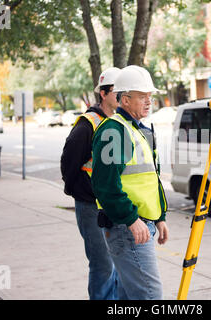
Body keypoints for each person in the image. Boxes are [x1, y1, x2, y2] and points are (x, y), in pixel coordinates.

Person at [91, 65, 169, 300]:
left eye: (150, 96)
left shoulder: (137, 129)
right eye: (142, 96)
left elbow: (150, 178)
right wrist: (131, 219)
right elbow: (105, 186)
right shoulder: (114, 131)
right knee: (150, 296)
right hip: (128, 228)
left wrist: (160, 216)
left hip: (140, 225)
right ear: (125, 99)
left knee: (128, 298)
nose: (149, 101)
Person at [60, 67, 121, 300]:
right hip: (91, 206)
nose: (121, 96)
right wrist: (81, 191)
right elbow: (68, 163)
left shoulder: (118, 122)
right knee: (103, 265)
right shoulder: (88, 124)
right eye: (117, 92)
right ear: (103, 94)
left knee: (116, 263)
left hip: (112, 204)